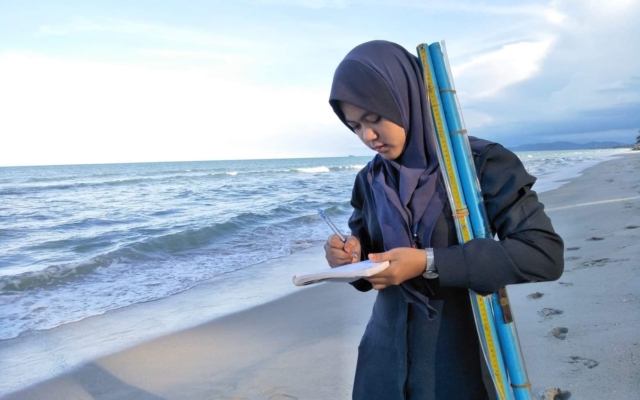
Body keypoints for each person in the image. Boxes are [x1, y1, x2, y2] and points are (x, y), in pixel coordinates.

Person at [324, 40, 564, 400]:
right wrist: (348, 259)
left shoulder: (480, 165)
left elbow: (543, 254)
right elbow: (367, 256)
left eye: (375, 118)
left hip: (459, 359)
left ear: (405, 97)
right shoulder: (371, 179)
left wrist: (430, 262)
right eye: (355, 126)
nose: (368, 137)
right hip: (382, 361)